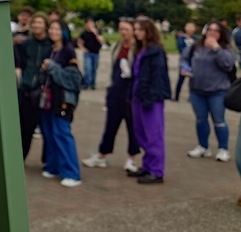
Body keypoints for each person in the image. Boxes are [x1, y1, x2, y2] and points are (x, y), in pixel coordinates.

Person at [82, 19, 140, 173]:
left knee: (132, 125)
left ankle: (132, 157)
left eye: (127, 29)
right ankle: (102, 154)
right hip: (116, 89)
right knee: (111, 124)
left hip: (131, 91)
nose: (123, 32)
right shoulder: (117, 46)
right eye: (121, 29)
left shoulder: (137, 48)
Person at [181, 20, 235, 162]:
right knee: (201, 120)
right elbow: (184, 59)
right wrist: (185, 68)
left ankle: (223, 149)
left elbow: (228, 65)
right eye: (210, 30)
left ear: (221, 34)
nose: (212, 33)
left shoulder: (226, 49)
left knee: (219, 120)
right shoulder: (196, 46)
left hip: (217, 91)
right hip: (197, 90)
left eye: (216, 31)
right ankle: (203, 147)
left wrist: (216, 48)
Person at [38, 20, 83, 187]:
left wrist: (52, 67)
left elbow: (73, 80)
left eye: (57, 29)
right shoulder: (51, 49)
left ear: (63, 32)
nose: (53, 31)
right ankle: (54, 166)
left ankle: (72, 173)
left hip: (62, 100)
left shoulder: (68, 51)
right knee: (49, 133)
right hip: (48, 98)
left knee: (62, 133)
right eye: (51, 28)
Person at [128, 17, 171, 184]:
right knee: (141, 132)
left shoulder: (155, 51)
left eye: (140, 30)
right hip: (138, 93)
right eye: (135, 29)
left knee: (154, 134)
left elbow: (158, 76)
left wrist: (151, 97)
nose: (137, 33)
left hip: (151, 97)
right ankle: (147, 165)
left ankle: (156, 170)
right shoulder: (141, 49)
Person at [15, 12, 52, 159]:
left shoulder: (51, 45)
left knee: (46, 129)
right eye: (34, 22)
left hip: (43, 91)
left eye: (40, 22)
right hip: (26, 89)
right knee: (24, 128)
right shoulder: (26, 44)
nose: (36, 25)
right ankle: (19, 158)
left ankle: (47, 160)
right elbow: (19, 61)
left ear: (46, 26)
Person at [77, 18, 105, 90]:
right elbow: (79, 41)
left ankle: (92, 83)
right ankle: (86, 83)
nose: (90, 25)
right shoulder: (84, 33)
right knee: (88, 68)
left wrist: (95, 33)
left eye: (91, 23)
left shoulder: (98, 31)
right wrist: (83, 48)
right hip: (88, 53)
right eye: (88, 23)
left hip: (96, 53)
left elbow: (101, 41)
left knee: (94, 69)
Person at [174, 21, 198, 101]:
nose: (190, 29)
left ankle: (191, 97)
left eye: (192, 27)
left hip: (194, 62)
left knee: (193, 80)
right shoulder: (181, 38)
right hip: (184, 62)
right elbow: (180, 48)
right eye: (188, 27)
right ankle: (176, 96)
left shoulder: (197, 39)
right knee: (181, 79)